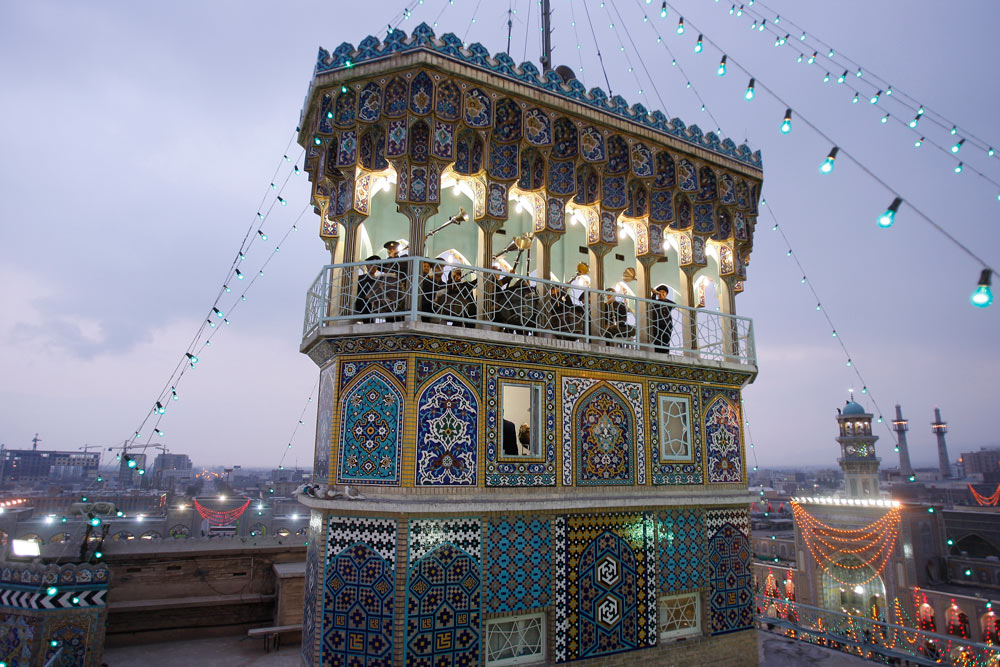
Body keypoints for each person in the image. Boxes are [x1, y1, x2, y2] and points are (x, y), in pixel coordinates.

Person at [649, 283, 675, 353]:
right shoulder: (656, 302)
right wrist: (654, 294)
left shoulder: (668, 302)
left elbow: (674, 305)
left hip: (667, 325)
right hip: (658, 325)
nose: (662, 293)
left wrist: (664, 299)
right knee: (658, 342)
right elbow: (652, 303)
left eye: (664, 292)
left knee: (666, 342)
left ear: (666, 294)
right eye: (660, 292)